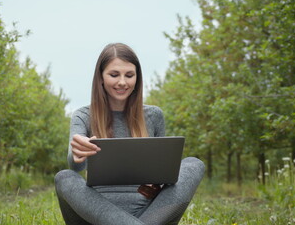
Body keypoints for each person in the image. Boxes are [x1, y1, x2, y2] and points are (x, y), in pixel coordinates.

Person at [55, 43, 205, 225]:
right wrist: (78, 154)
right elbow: (75, 167)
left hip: (150, 214)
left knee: (194, 165)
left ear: (137, 78)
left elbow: (162, 175)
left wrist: (157, 183)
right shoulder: (83, 115)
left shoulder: (154, 115)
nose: (122, 82)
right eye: (114, 74)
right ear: (101, 77)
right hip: (96, 214)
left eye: (129, 75)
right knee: (64, 177)